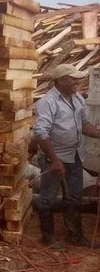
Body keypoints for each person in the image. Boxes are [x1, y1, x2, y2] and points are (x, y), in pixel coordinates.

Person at [33, 64, 100, 249]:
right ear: (60, 80)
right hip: (55, 156)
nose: (78, 82)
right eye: (73, 79)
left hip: (75, 155)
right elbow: (40, 132)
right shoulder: (48, 102)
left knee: (75, 196)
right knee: (47, 197)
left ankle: (75, 236)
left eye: (78, 78)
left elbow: (84, 125)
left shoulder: (77, 98)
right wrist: (54, 160)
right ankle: (48, 237)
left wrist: (98, 133)